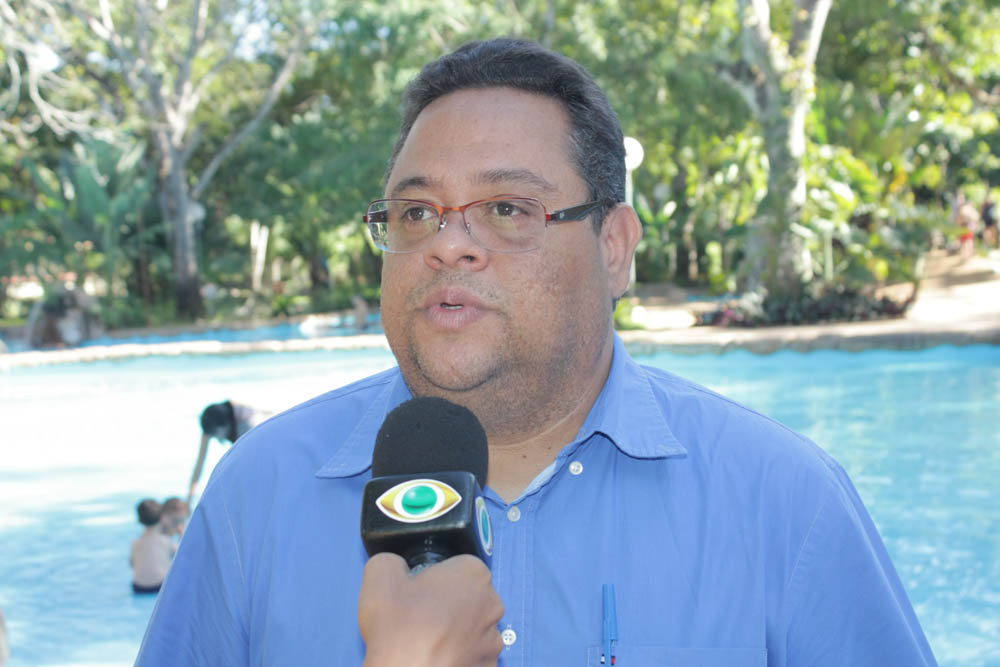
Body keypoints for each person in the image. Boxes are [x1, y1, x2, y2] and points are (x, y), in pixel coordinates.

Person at [137, 38, 936, 665]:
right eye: (415, 213)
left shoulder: (785, 504)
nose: (447, 243)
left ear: (614, 247)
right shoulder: (256, 499)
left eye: (508, 208)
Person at [187, 400, 272, 503]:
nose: (215, 438)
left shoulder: (248, 425)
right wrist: (189, 499)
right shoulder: (210, 422)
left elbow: (257, 467)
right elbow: (200, 463)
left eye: (215, 435)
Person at [129, 499, 174, 594]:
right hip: (160, 585)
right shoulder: (166, 541)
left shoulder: (135, 543)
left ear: (139, 520)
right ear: (162, 517)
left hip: (138, 587)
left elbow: (132, 564)